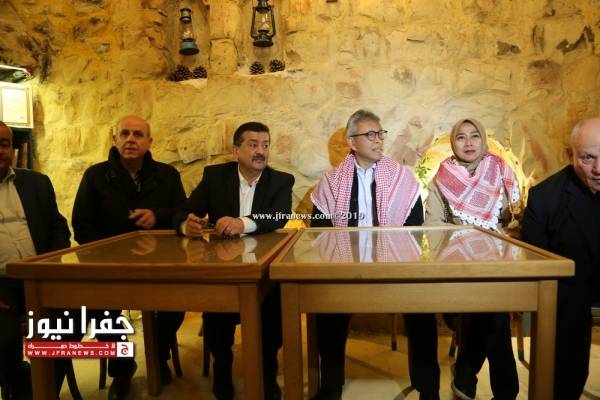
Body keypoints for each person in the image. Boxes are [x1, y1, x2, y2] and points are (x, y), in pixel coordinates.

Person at [309, 109, 424, 400]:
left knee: (421, 307)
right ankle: (331, 386)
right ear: (352, 142)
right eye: (370, 134)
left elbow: (415, 229)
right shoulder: (331, 182)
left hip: (394, 269)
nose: (378, 140)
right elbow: (320, 231)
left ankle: (429, 387)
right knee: (327, 307)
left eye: (380, 133)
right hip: (346, 269)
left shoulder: (402, 179)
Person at [175, 121, 294, 400]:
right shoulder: (215, 177)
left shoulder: (281, 181)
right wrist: (186, 224)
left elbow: (278, 216)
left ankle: (267, 372)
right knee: (217, 310)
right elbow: (185, 211)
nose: (261, 151)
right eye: (253, 144)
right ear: (235, 151)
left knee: (273, 308)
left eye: (265, 145)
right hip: (225, 268)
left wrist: (243, 223)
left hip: (263, 267)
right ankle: (222, 369)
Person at [72, 115, 186, 399]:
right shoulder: (95, 176)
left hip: (159, 263)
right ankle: (122, 368)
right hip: (109, 266)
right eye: (124, 134)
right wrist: (107, 254)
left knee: (176, 304)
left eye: (138, 134)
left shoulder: (168, 175)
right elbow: (81, 224)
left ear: (149, 142)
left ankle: (158, 357)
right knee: (100, 310)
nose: (131, 140)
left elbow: (182, 214)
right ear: (115, 140)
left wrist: (157, 215)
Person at [424, 118, 520, 400]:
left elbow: (515, 221)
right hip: (456, 264)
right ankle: (503, 391)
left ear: (483, 140)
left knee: (489, 308)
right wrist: (464, 240)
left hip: (497, 263)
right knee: (493, 312)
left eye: (474, 136)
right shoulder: (442, 176)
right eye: (461, 137)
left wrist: (505, 227)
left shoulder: (501, 170)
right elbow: (432, 225)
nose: (468, 143)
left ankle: (466, 371)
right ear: (453, 143)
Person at [521, 117, 600, 400]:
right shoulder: (544, 198)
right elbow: (536, 267)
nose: (598, 169)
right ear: (570, 155)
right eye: (588, 158)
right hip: (568, 293)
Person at [0, 121, 71, 399]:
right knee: (4, 339)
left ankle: (44, 390)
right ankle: (20, 385)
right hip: (1, 285)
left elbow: (59, 228)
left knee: (73, 321)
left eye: (4, 144)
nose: (0, 151)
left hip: (41, 278)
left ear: (12, 148)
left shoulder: (37, 183)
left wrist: (51, 266)